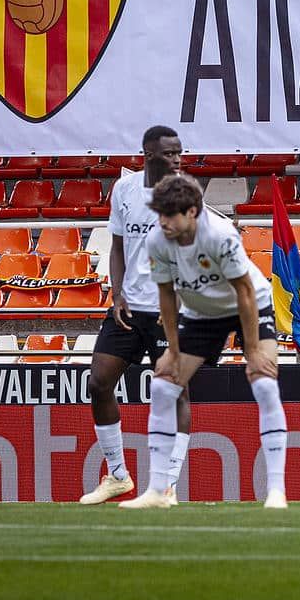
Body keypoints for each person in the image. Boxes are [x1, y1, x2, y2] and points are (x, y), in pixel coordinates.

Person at [122, 173, 288, 509]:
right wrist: (171, 349)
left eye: (171, 215)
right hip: (200, 314)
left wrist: (252, 350)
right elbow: (166, 296)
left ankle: (276, 492)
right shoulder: (157, 241)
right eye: (160, 214)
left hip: (248, 304)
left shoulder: (219, 235)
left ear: (193, 212)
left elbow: (243, 291)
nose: (163, 222)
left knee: (265, 383)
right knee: (162, 386)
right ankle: (157, 491)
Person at [80, 125, 193, 505]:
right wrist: (116, 293)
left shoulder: (185, 194)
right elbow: (116, 246)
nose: (177, 158)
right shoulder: (124, 190)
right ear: (148, 155)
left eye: (179, 151)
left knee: (173, 393)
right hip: (128, 308)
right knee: (98, 382)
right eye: (169, 152)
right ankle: (117, 476)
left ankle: (167, 485)